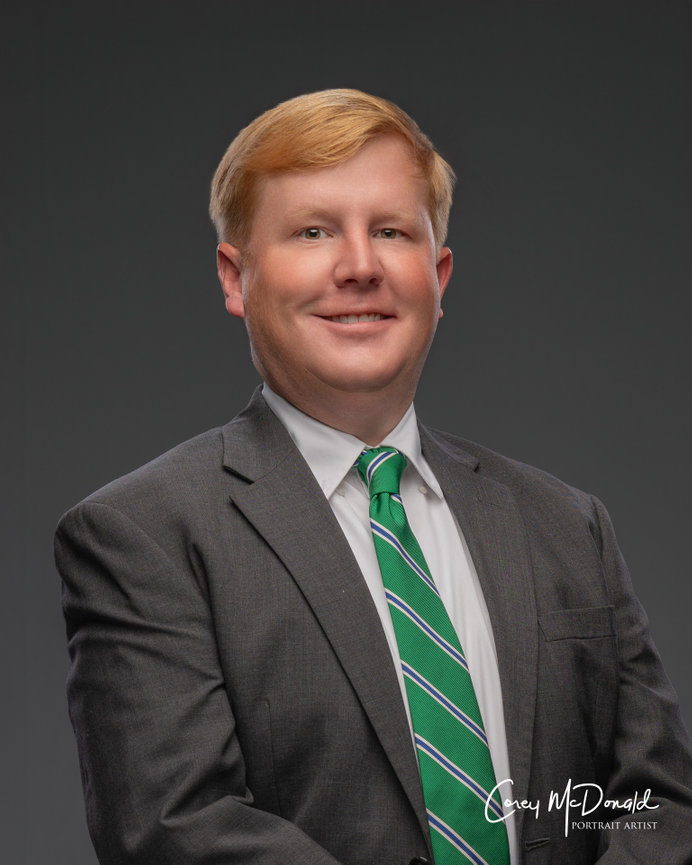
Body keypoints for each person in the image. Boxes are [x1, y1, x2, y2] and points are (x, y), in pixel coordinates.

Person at [55, 89, 692, 865]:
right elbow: (179, 831)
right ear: (236, 276)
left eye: (391, 231)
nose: (359, 266)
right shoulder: (144, 534)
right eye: (313, 231)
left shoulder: (569, 523)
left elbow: (653, 804)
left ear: (439, 274)